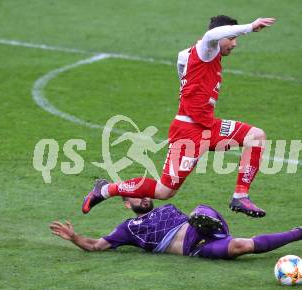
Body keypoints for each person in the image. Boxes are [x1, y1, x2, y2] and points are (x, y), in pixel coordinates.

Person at [82, 15, 277, 218]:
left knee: (256, 136)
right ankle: (105, 190)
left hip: (208, 126)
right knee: (164, 191)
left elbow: (181, 58)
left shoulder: (197, 53)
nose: (235, 43)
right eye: (232, 37)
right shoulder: (207, 48)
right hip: (188, 131)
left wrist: (185, 84)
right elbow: (210, 35)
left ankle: (240, 197)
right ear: (222, 36)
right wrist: (249, 27)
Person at [55, 197, 302, 258]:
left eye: (143, 191)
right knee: (242, 246)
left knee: (199, 212)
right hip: (197, 248)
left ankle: (205, 220)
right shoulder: (127, 229)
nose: (142, 196)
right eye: (135, 196)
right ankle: (300, 233)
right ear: (127, 204)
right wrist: (74, 237)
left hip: (199, 225)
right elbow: (96, 246)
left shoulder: (166, 206)